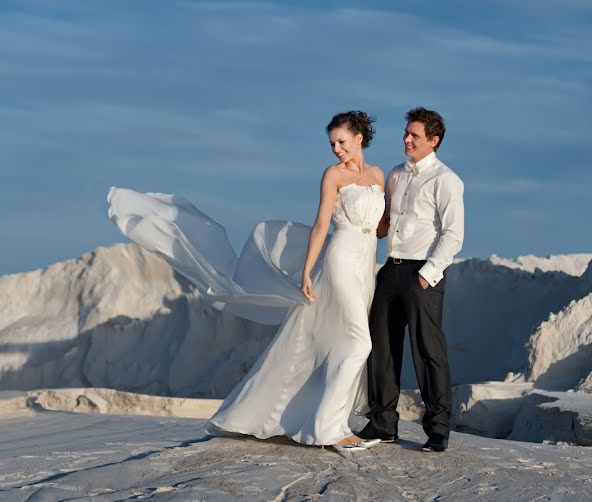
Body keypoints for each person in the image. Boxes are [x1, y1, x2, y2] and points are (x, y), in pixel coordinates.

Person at [108, 111, 386, 452]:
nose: (336, 149)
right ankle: (327, 428)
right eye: (331, 144)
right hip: (340, 260)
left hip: (365, 263)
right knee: (360, 343)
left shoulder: (377, 175)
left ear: (359, 138)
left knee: (340, 341)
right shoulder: (333, 175)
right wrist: (307, 272)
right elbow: (320, 226)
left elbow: (382, 226)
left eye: (341, 142)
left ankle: (327, 419)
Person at [357, 107, 464, 453]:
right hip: (390, 268)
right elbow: (386, 222)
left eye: (414, 135)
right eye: (406, 133)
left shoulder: (446, 180)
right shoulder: (395, 175)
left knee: (428, 353)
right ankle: (383, 423)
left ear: (433, 141)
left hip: (423, 273)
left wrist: (427, 275)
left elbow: (453, 235)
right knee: (382, 348)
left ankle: (438, 431)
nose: (406, 139)